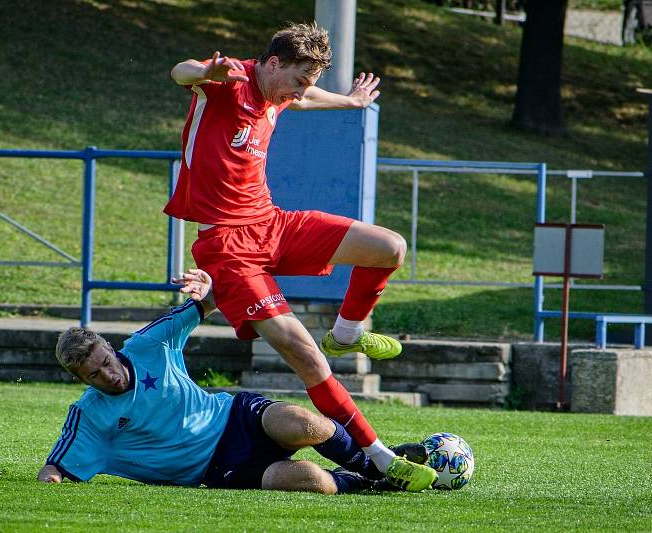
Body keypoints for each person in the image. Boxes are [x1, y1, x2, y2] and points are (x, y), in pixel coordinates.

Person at [164, 22, 435, 490]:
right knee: (306, 358)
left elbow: (304, 99)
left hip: (272, 223)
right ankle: (379, 458)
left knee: (390, 247)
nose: (301, 91)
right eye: (297, 79)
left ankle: (347, 334)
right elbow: (181, 72)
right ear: (272, 64)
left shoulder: (279, 94)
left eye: (308, 82)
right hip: (228, 247)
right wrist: (203, 68)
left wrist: (349, 102)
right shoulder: (229, 81)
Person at [37, 269, 434, 493]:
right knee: (312, 482)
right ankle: (367, 484)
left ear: (109, 346)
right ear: (81, 380)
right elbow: (56, 466)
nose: (109, 374)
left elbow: (207, 303)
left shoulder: (148, 343)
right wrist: (48, 483)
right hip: (217, 467)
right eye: (94, 375)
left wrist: (206, 287)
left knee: (305, 424)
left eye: (106, 361)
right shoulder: (88, 415)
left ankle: (377, 464)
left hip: (233, 414)